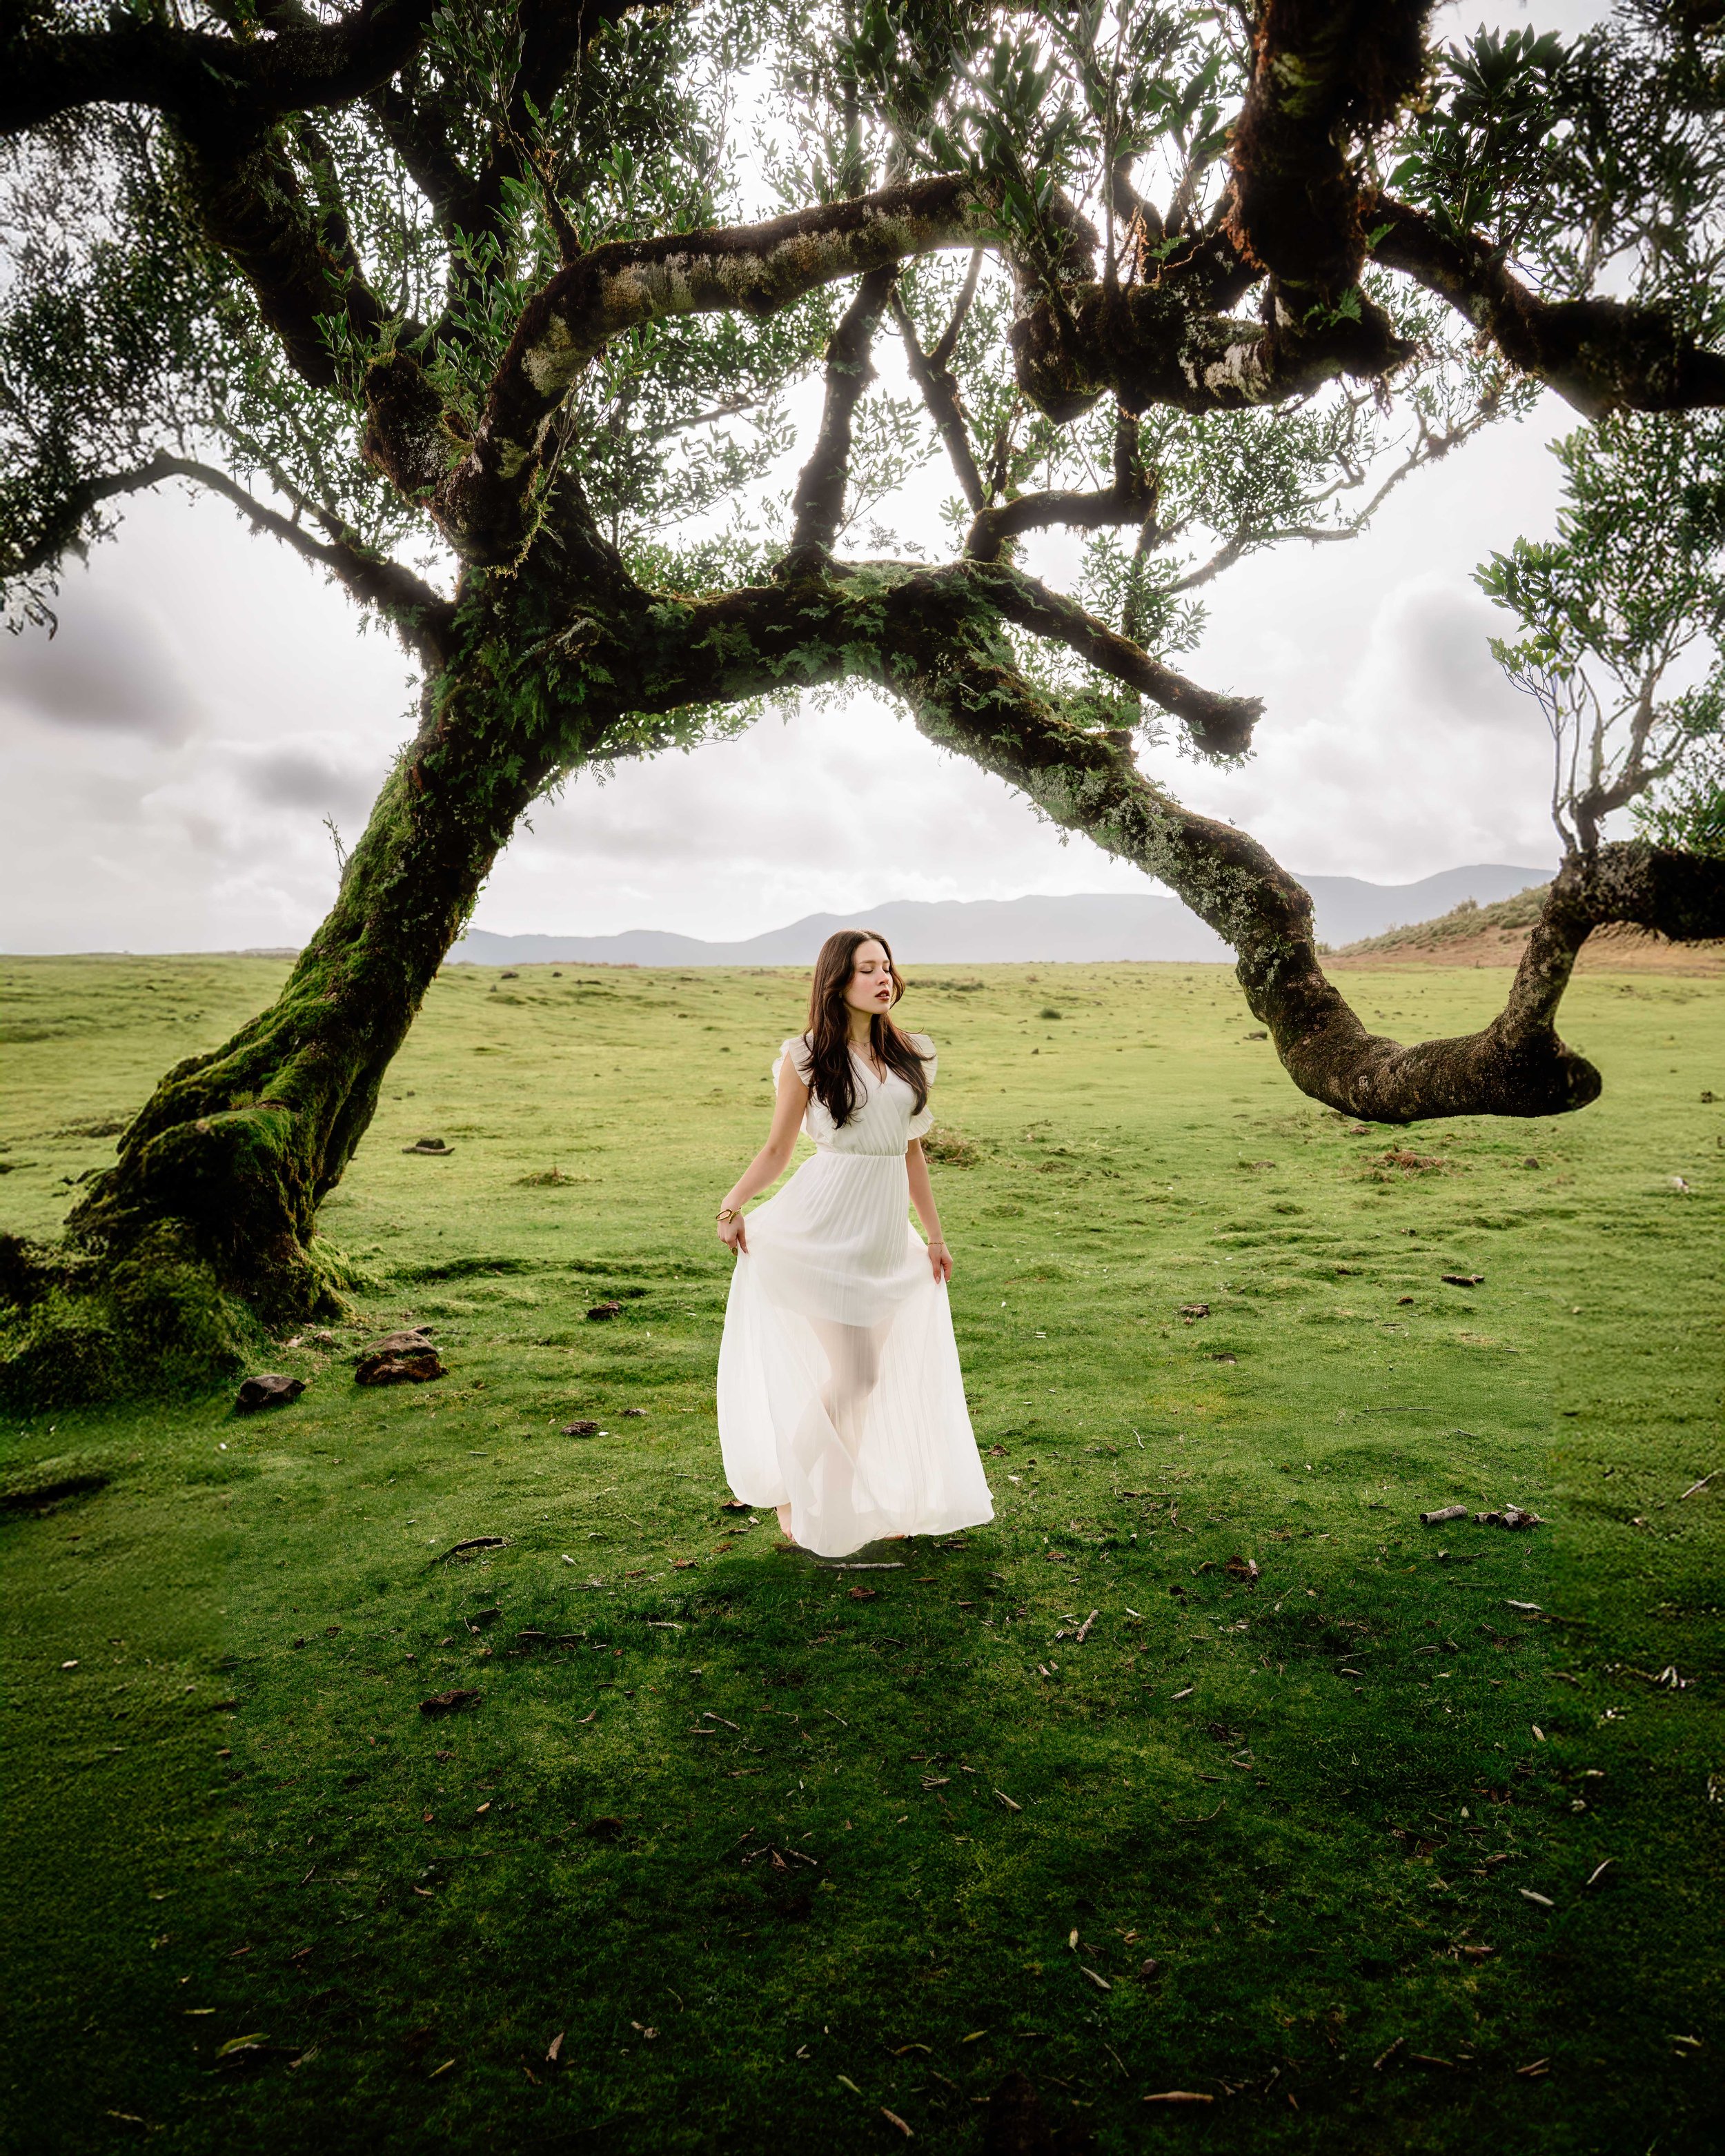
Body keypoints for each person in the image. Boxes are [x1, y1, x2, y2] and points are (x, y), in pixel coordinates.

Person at [713, 929, 994, 1559]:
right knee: (859, 1372)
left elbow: (912, 1152)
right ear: (837, 979)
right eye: (868, 968)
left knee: (864, 1379)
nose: (883, 977)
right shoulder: (807, 1056)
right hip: (822, 1228)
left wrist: (935, 1235)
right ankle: (793, 1485)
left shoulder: (908, 1054)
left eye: (888, 967)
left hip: (883, 1237)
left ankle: (836, 1501)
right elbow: (779, 1148)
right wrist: (733, 1204)